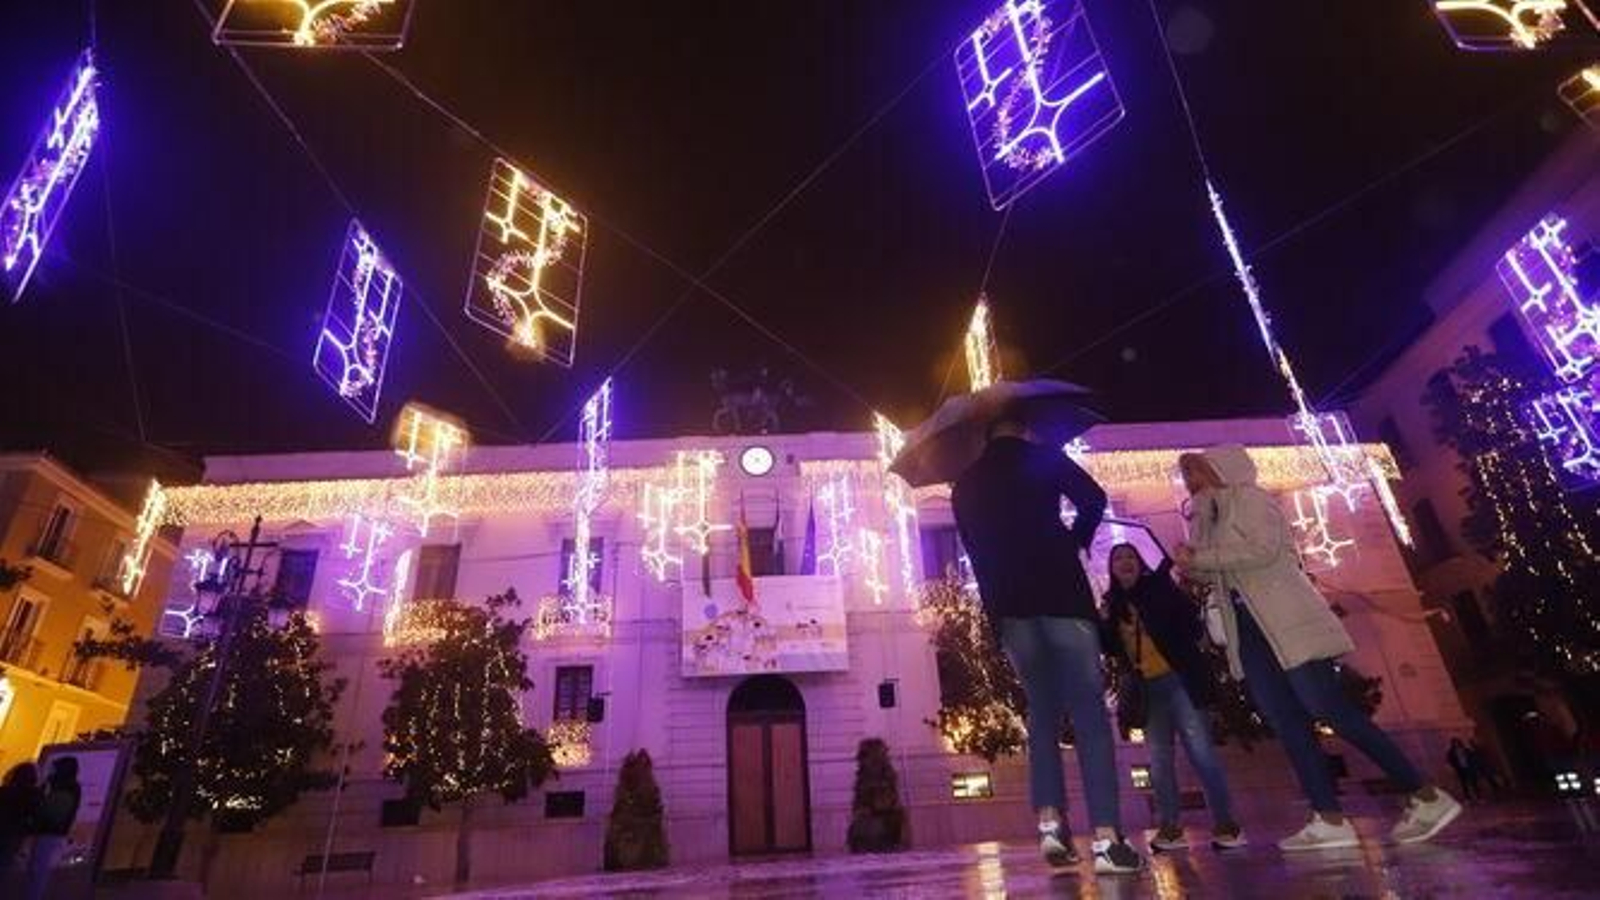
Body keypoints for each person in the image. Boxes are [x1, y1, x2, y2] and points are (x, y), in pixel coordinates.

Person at [1173, 446, 1461, 851]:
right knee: (1284, 719)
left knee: (1327, 707)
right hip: (1249, 628)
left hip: (1289, 620)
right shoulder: (1208, 518)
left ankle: (1426, 796)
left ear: (1222, 469)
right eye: (1187, 476)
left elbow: (1264, 550)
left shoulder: (1252, 499)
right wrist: (1191, 560)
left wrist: (1205, 556)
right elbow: (1220, 568)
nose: (1192, 482)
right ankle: (1327, 817)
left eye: (1197, 471)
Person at [952, 416, 1145, 874]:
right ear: (1023, 429)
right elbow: (1094, 499)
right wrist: (1072, 542)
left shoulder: (965, 483)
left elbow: (976, 553)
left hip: (1011, 609)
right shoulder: (1042, 459)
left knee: (1040, 711)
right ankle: (1105, 839)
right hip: (1062, 597)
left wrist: (997, 613)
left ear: (986, 434)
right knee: (1089, 713)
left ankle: (1051, 826)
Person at [1100, 544, 1245, 852]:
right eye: (1118, 559)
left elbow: (1191, 624)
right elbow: (1111, 650)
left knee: (1201, 752)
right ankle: (1170, 827)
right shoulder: (1112, 603)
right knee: (1159, 760)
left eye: (1130, 557)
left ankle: (1226, 823)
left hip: (1179, 680)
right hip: (1147, 690)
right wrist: (1104, 621)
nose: (1125, 563)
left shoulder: (1159, 588)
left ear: (1140, 564)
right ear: (1111, 568)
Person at [26, 756, 81, 900]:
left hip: (50, 834)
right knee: (38, 871)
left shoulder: (63, 787)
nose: (50, 771)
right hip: (52, 833)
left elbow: (50, 811)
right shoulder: (66, 787)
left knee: (38, 871)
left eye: (54, 768)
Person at [0, 762, 41, 875]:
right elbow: (36, 816)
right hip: (15, 834)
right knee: (4, 863)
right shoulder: (34, 794)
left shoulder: (4, 791)